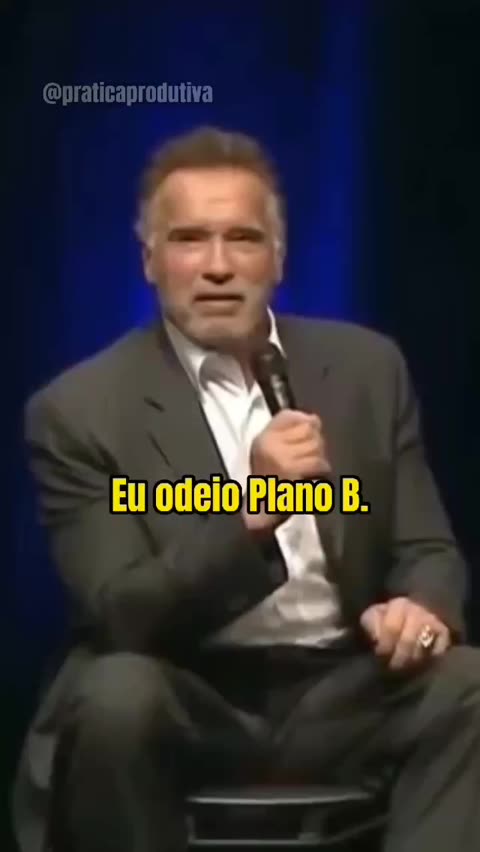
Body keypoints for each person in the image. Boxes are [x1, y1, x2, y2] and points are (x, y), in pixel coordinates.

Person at [12, 125, 480, 852]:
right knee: (113, 695)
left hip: (343, 688)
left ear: (279, 257)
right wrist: (253, 508)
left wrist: (422, 610)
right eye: (189, 240)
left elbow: (427, 548)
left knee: (468, 682)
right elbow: (123, 613)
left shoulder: (367, 368)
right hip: (188, 695)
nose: (218, 267)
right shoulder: (79, 410)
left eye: (243, 238)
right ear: (150, 260)